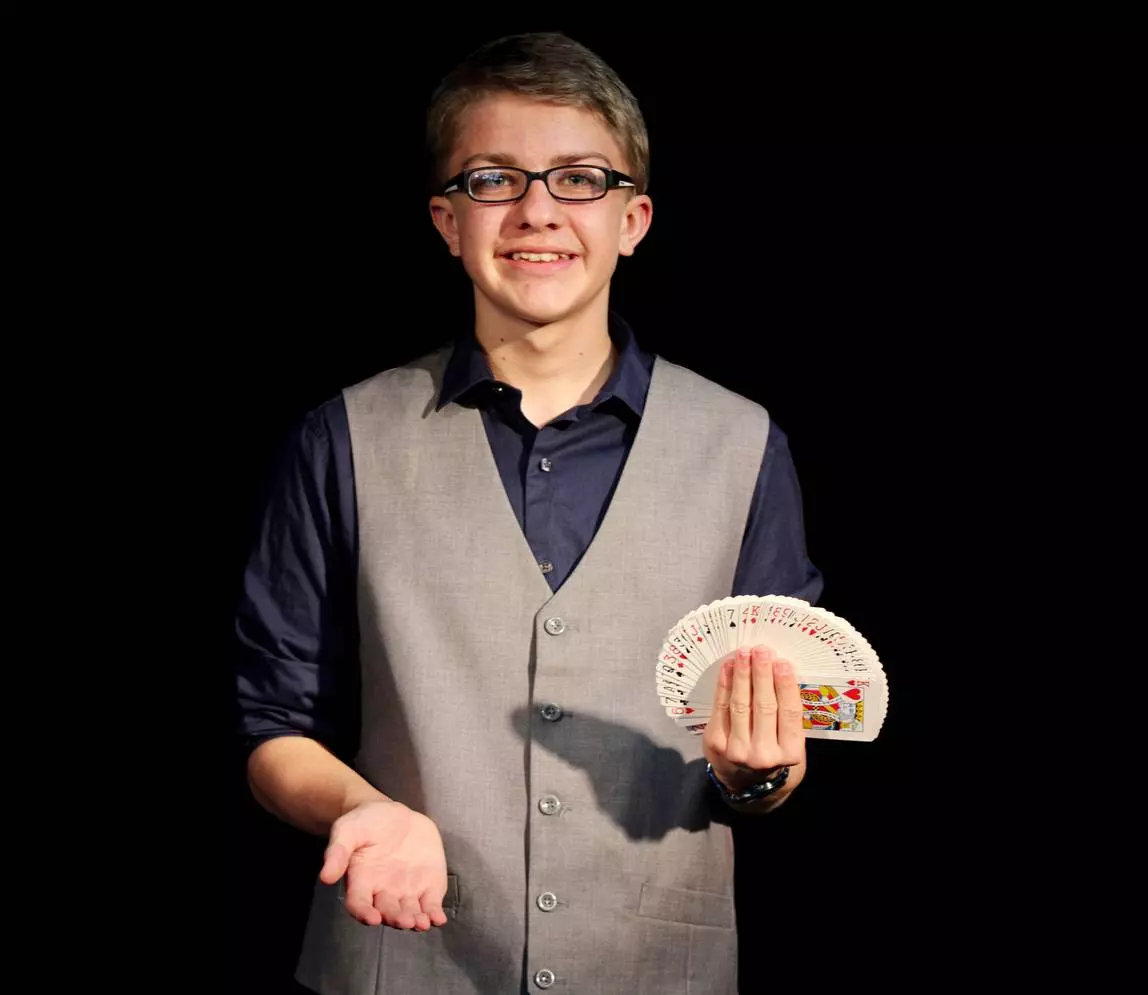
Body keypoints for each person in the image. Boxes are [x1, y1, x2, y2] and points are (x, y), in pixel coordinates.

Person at [237, 31, 823, 995]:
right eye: (494, 180)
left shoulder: (745, 444)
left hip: (651, 969)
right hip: (400, 965)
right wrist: (360, 808)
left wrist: (756, 774)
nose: (537, 212)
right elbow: (273, 725)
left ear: (633, 219)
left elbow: (776, 752)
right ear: (445, 220)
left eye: (579, 179)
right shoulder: (341, 436)